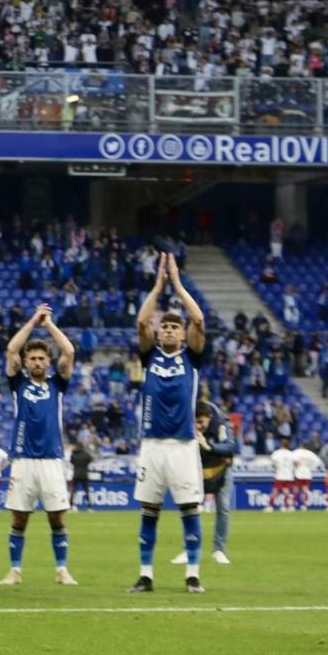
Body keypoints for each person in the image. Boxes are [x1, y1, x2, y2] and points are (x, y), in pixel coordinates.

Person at [130, 250, 208, 595]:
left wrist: (177, 283)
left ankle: (192, 574)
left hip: (183, 443)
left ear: (182, 333)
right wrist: (158, 285)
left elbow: (200, 320)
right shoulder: (150, 357)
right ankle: (146, 575)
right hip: (152, 444)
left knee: (189, 507)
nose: (169, 331)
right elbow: (141, 322)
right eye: (165, 327)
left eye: (175, 327)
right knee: (150, 509)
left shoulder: (191, 357)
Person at [0, 305, 76, 586]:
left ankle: (62, 570)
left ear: (48, 361)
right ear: (27, 362)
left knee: (57, 518)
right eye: (32, 358)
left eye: (42, 358)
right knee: (19, 519)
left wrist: (50, 325)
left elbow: (69, 353)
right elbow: (10, 350)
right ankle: (15, 571)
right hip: (23, 459)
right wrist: (33, 320)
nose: (37, 363)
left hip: (52, 459)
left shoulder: (58, 385)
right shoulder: (18, 383)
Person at [174, 398, 236, 566]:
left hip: (222, 469)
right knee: (190, 507)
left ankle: (219, 550)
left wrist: (209, 446)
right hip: (199, 469)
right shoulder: (189, 425)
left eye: (201, 422)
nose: (198, 426)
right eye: (196, 422)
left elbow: (230, 446)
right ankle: (189, 549)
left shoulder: (222, 424)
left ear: (209, 417)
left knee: (223, 508)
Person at [291, 440, 322, 512]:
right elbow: (318, 462)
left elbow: (291, 460)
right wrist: (310, 467)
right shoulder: (310, 453)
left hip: (298, 473)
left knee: (296, 489)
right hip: (307, 473)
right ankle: (304, 505)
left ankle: (293, 505)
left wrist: (294, 467)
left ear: (301, 446)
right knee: (305, 490)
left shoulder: (296, 452)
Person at [268, 441, 297, 513]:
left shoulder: (276, 453)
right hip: (289, 475)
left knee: (275, 491)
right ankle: (287, 506)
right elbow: (296, 464)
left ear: (281, 445)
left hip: (280, 475)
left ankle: (271, 506)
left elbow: (272, 464)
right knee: (286, 491)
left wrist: (275, 469)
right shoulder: (292, 454)